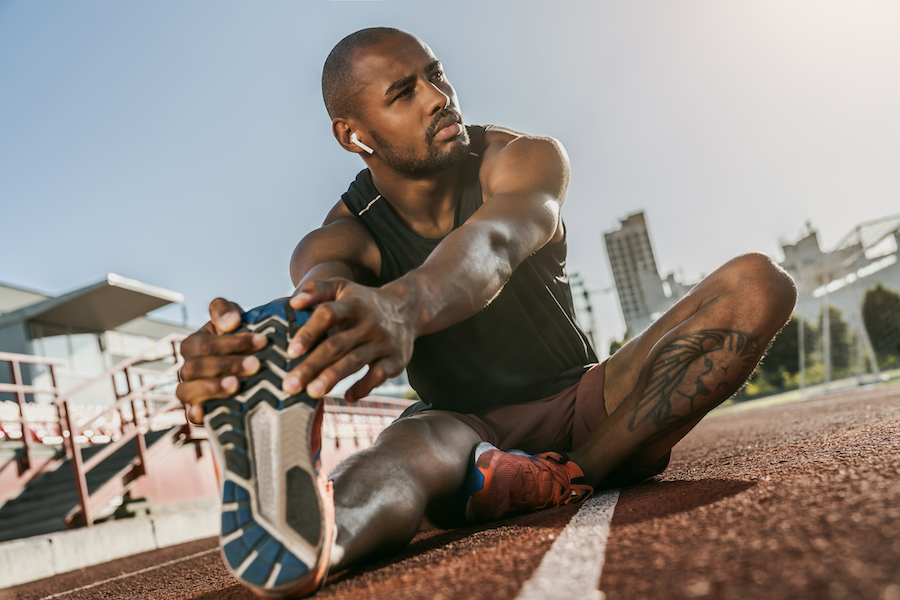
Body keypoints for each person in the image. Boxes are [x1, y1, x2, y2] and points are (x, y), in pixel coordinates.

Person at [176, 27, 796, 597]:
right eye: (403, 93)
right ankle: (316, 540)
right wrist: (251, 348)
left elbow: (493, 245)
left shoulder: (522, 158)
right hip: (458, 431)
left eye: (436, 74)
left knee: (759, 284)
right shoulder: (338, 238)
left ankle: (568, 475)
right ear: (354, 135)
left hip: (586, 399)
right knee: (395, 461)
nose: (438, 97)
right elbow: (320, 295)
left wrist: (404, 304)